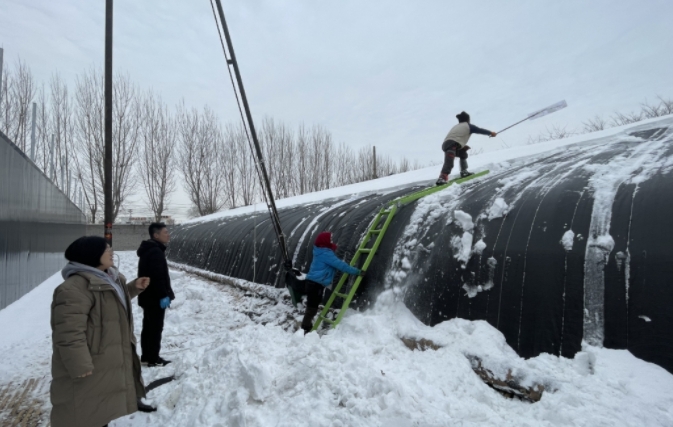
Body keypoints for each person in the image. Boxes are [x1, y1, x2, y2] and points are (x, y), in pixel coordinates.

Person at [50, 236, 154, 427]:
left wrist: (133, 288)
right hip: (90, 363)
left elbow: (109, 303)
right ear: (92, 255)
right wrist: (79, 364)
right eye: (107, 250)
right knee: (85, 413)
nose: (112, 253)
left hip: (105, 360)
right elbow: (69, 332)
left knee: (100, 410)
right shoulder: (74, 289)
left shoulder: (110, 278)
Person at [301, 231, 363, 333]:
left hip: (312, 283)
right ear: (325, 241)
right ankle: (305, 329)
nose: (332, 241)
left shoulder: (320, 251)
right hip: (315, 285)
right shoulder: (326, 253)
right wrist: (357, 272)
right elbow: (340, 265)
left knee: (312, 307)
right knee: (312, 308)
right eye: (330, 239)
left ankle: (306, 327)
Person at [137, 222, 175, 367]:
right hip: (154, 298)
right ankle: (153, 358)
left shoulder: (149, 249)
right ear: (156, 235)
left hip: (147, 296)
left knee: (148, 326)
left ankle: (147, 355)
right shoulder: (155, 252)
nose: (168, 234)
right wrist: (163, 295)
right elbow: (157, 276)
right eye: (165, 232)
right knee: (155, 328)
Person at [436, 111, 497, 185]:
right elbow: (479, 130)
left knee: (463, 153)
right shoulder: (468, 126)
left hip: (447, 144)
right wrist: (490, 133)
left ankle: (464, 171)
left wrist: (462, 146)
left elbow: (456, 137)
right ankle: (442, 178)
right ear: (468, 119)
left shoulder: (457, 126)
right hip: (452, 144)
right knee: (449, 162)